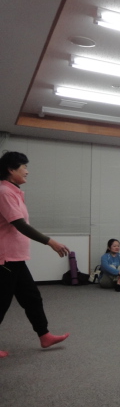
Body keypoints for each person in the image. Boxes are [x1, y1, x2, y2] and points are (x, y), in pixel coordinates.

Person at [0, 151, 70, 358]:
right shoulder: (4, 192)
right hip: (5, 258)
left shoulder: (13, 191)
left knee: (32, 298)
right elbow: (20, 225)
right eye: (24, 167)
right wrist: (51, 242)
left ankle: (44, 335)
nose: (27, 171)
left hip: (16, 258)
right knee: (1, 302)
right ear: (11, 169)